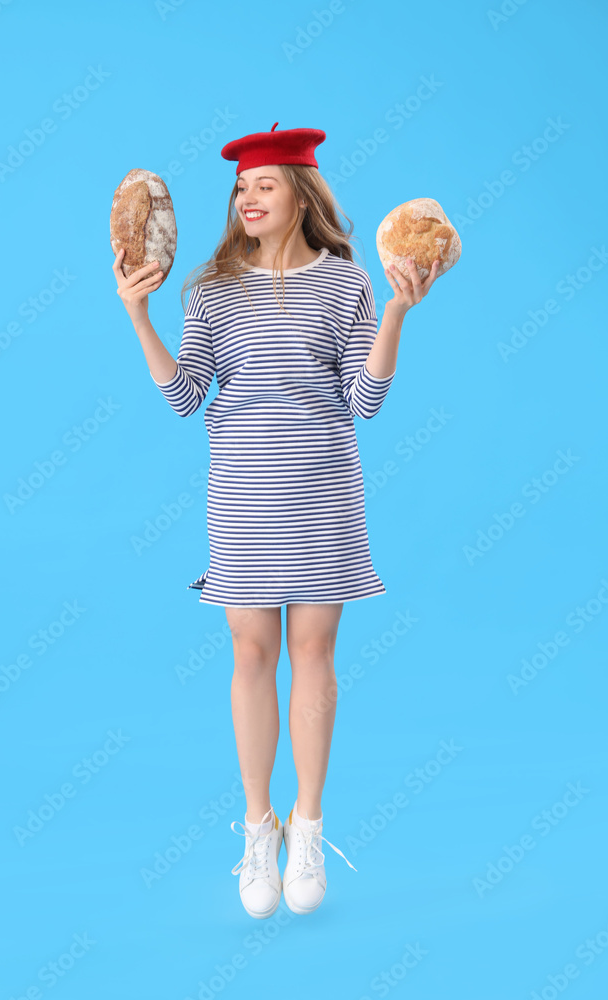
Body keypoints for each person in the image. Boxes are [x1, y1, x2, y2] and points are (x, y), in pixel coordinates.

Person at [112, 122, 440, 920]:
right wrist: (138, 315)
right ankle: (258, 827)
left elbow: (364, 401)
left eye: (263, 184)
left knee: (313, 651)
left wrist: (396, 312)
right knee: (251, 649)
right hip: (244, 494)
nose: (246, 197)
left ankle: (308, 826)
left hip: (322, 490)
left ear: (301, 193)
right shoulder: (212, 289)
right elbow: (187, 396)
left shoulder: (348, 284)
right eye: (239, 187)